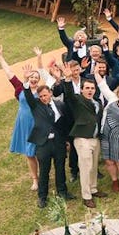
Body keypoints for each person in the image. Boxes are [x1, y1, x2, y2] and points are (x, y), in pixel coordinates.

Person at [21, 66, 73, 208]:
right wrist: (26, 81)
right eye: (41, 96)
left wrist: (66, 140)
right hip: (43, 144)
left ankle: (62, 191)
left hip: (58, 142)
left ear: (50, 93)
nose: (43, 98)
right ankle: (42, 197)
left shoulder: (59, 105)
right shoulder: (35, 105)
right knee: (44, 171)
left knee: (60, 168)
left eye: (45, 95)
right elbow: (27, 94)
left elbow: (64, 124)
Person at [61, 64, 107, 208]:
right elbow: (68, 94)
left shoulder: (98, 102)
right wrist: (67, 79)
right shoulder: (77, 100)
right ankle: (86, 195)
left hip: (95, 138)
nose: (90, 90)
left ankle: (93, 189)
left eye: (92, 88)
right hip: (82, 138)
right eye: (87, 88)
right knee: (85, 167)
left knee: (93, 166)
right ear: (82, 90)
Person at [0, 45, 39, 191]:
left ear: (39, 80)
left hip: (37, 125)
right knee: (29, 154)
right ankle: (35, 179)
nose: (33, 78)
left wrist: (39, 58)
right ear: (28, 77)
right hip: (23, 123)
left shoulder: (42, 92)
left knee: (38, 152)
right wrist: (0, 57)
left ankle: (43, 174)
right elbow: (9, 73)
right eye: (31, 76)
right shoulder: (20, 88)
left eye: (36, 77)